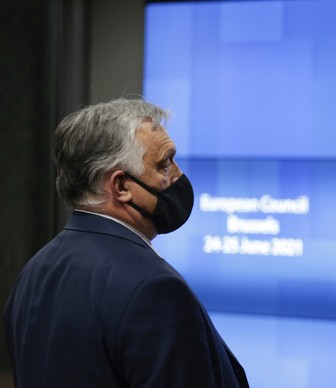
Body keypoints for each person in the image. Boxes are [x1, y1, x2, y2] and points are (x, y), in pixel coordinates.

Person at [3, 98, 249, 387]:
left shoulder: (34, 271)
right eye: (164, 164)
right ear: (121, 187)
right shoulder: (154, 289)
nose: (178, 176)